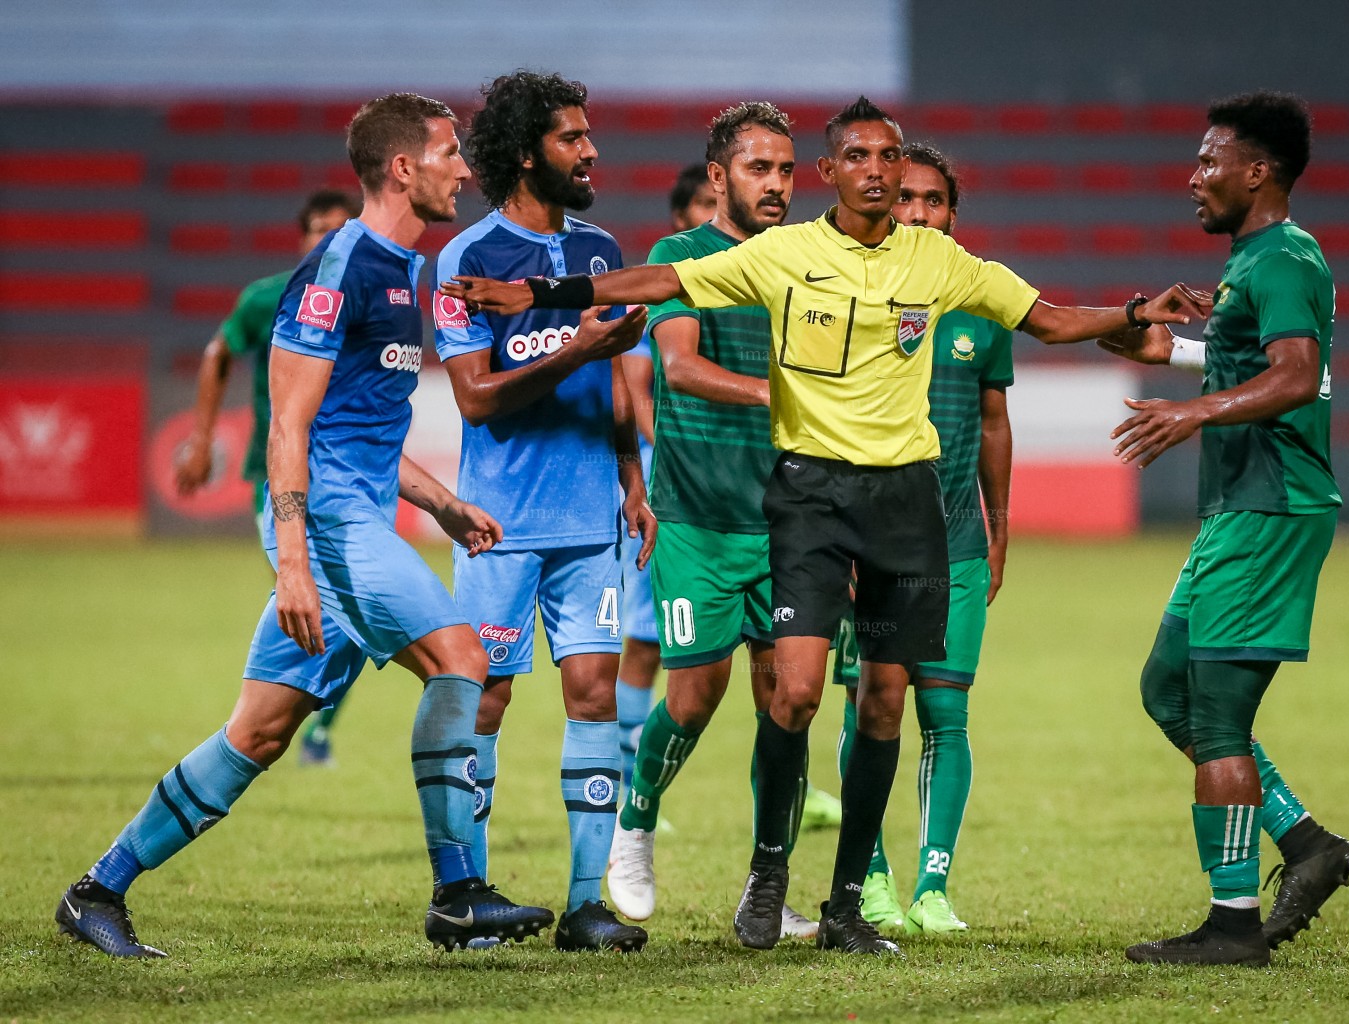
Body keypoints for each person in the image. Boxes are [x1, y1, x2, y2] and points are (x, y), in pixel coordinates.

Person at [443, 95, 1199, 956]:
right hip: (796, 502)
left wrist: (1137, 312)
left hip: (902, 504)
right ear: (832, 172)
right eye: (858, 157)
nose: (877, 171)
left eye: (890, 156)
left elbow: (1053, 320)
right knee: (777, 693)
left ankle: (841, 903)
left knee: (879, 702)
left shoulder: (939, 261)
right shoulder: (786, 253)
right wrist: (535, 291)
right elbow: (657, 289)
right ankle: (733, 855)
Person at [56, 93, 554, 958]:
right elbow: (287, 427)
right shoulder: (340, 269)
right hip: (325, 526)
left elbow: (354, 430)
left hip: (351, 516)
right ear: (403, 167)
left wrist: (440, 502)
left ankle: (96, 890)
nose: (464, 170)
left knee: (260, 730)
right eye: (448, 153)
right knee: (462, 659)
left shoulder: (403, 270)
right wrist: (293, 563)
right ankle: (459, 896)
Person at [1095, 91, 1349, 967]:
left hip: (1269, 507)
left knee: (1214, 718)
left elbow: (1294, 375)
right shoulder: (1259, 262)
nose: (1193, 176)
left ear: (1258, 172)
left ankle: (1233, 923)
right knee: (1167, 688)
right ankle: (1308, 844)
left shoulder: (1282, 257)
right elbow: (1244, 357)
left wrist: (1193, 413)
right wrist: (1153, 339)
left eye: (1209, 162)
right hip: (1239, 511)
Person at [432, 70, 652, 953]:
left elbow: (615, 377)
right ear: (527, 154)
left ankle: (585, 903)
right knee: (483, 699)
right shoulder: (466, 259)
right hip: (501, 522)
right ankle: (470, 897)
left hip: (591, 517)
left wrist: (633, 478)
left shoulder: (601, 251)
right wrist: (579, 350)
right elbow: (477, 401)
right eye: (572, 137)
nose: (591, 149)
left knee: (594, 693)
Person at [603, 102, 832, 943]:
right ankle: (635, 821)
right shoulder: (682, 256)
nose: (776, 185)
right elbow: (681, 366)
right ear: (718, 178)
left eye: (785, 169)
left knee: (792, 698)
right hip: (698, 519)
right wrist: (778, 394)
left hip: (793, 520)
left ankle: (767, 883)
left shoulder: (811, 262)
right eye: (757, 169)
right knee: (695, 696)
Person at [831, 142, 1012, 936]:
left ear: (952, 214)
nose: (917, 212)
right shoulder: (851, 291)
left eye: (934, 200)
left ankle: (933, 888)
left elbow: (995, 421)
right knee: (872, 704)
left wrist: (999, 525)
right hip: (867, 538)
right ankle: (868, 880)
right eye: (905, 198)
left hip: (958, 540)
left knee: (945, 711)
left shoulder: (979, 301)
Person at [174, 188, 362, 770]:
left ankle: (303, 729)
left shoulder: (366, 294)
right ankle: (264, 729)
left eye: (341, 229)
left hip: (352, 481)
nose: (329, 240)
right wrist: (203, 441)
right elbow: (218, 354)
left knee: (351, 620)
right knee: (323, 609)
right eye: (318, 230)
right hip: (282, 480)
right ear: (301, 237)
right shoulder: (268, 297)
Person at [610, 163, 714, 823]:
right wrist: (666, 454)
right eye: (703, 205)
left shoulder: (740, 285)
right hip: (659, 483)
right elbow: (634, 389)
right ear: (679, 221)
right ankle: (627, 778)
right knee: (645, 641)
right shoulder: (661, 289)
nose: (713, 215)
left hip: (716, 486)